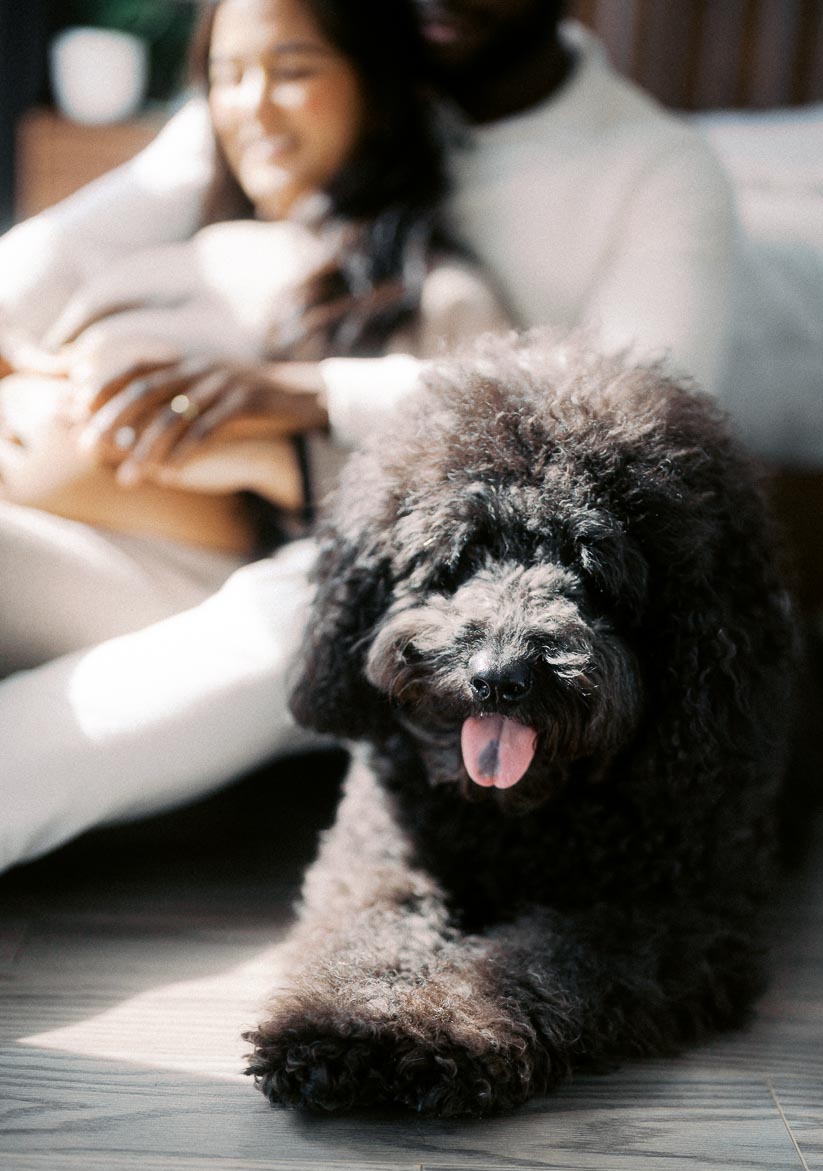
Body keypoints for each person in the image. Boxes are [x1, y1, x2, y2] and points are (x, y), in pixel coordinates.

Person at [0, 0, 737, 872]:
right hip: (151, 519)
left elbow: (635, 425)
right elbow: (68, 244)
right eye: (236, 77)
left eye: (292, 71)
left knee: (306, 612)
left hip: (435, 543)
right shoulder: (313, 54)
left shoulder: (653, 170)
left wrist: (307, 400)